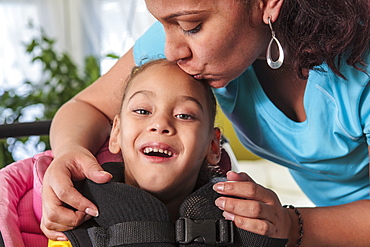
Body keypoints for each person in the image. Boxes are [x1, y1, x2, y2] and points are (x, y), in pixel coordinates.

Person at [41, 0, 370, 246]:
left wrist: (292, 224)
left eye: (191, 26)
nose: (171, 52)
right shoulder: (191, 33)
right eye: (163, 25)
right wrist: (68, 152)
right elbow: (87, 106)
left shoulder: (361, 74)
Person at [48, 59, 288, 247]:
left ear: (212, 147)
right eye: (142, 110)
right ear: (116, 133)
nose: (160, 124)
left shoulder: (241, 217)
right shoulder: (78, 213)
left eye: (184, 115)